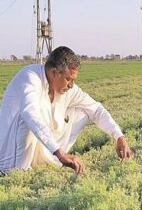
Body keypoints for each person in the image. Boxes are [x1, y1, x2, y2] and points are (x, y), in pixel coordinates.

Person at [0, 46, 132, 175]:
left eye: (73, 80)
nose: (71, 85)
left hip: (41, 149)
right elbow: (30, 114)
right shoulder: (30, 77)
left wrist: (119, 136)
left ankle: (51, 161)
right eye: (68, 79)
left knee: (83, 111)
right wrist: (60, 153)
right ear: (54, 73)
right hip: (10, 154)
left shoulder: (68, 89)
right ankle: (16, 171)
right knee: (28, 117)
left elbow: (96, 109)